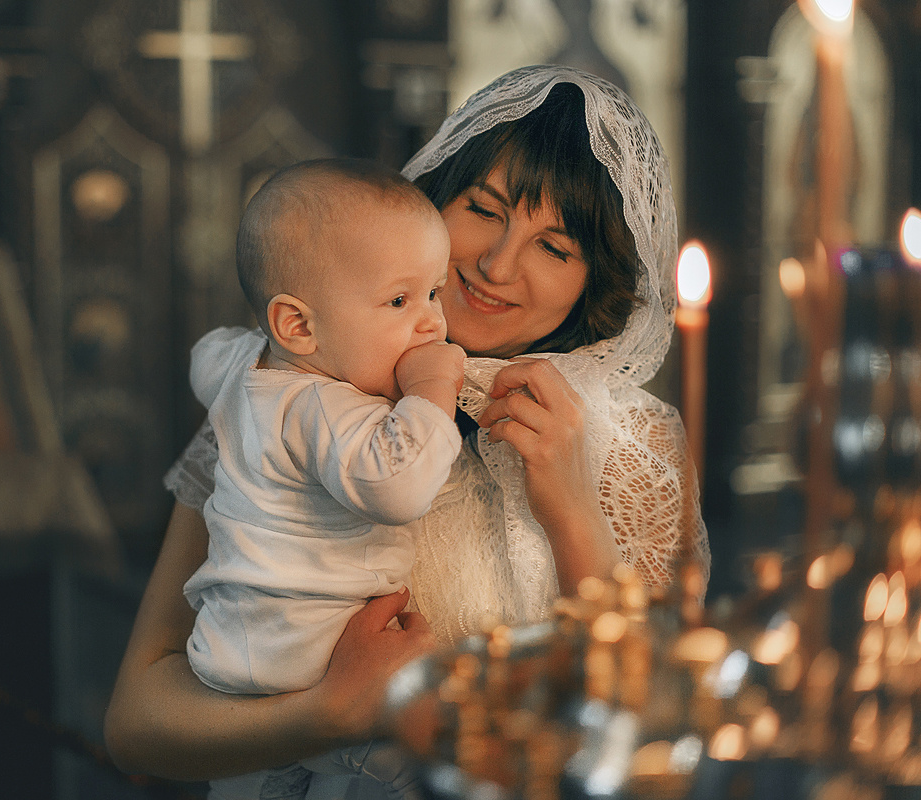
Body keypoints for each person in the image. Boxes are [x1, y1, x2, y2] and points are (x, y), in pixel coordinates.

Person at [105, 65, 710, 797]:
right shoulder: (284, 382)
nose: (496, 263)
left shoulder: (637, 444)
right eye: (483, 209)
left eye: (556, 248)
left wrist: (573, 507)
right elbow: (135, 723)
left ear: (595, 278)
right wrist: (325, 714)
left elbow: (654, 741)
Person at [184, 158, 466, 799]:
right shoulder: (325, 407)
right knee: (406, 767)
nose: (430, 322)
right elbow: (398, 488)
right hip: (310, 658)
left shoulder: (241, 366)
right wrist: (431, 390)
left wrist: (244, 346)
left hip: (234, 651)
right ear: (299, 326)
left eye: (434, 292)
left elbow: (205, 357)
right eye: (399, 300)